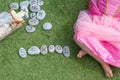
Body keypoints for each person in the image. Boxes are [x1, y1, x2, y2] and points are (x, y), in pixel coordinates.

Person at [73, 0, 120, 78]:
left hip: (115, 25)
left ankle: (90, 48)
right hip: (96, 21)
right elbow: (94, 4)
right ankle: (103, 62)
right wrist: (98, 16)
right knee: (79, 36)